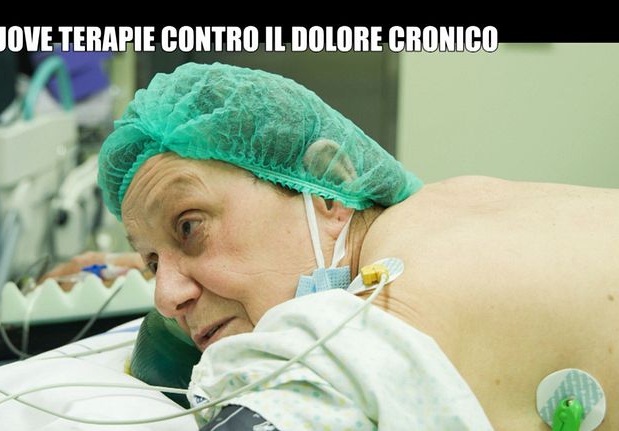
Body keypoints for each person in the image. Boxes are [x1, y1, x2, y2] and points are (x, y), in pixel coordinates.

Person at [48, 62, 618, 430]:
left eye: (189, 227)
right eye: (152, 262)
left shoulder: (390, 316)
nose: (166, 297)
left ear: (327, 190)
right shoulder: (452, 207)